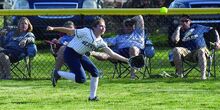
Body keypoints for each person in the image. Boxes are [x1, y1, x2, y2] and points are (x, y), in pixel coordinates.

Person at [47, 17, 128, 101]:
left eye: (104, 27)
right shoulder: (86, 31)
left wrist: (127, 60)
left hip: (81, 55)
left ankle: (92, 97)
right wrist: (53, 28)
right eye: (100, 26)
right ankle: (57, 73)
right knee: (81, 79)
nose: (103, 28)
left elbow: (112, 53)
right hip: (70, 53)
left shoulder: (100, 41)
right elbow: (69, 31)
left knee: (95, 73)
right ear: (94, 27)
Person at [91, 15, 145, 79]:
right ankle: (91, 53)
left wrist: (130, 20)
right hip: (122, 53)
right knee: (107, 55)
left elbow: (139, 17)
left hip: (138, 53)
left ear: (134, 26)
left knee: (132, 48)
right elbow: (105, 42)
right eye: (126, 25)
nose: (128, 27)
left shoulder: (139, 33)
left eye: (130, 25)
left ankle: (132, 75)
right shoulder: (119, 37)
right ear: (123, 27)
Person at [171, 15, 220, 80]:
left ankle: (203, 76)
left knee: (201, 50)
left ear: (190, 21)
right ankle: (180, 75)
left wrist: (218, 42)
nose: (184, 23)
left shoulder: (198, 27)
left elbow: (214, 30)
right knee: (176, 49)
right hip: (187, 52)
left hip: (200, 51)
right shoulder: (179, 31)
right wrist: (178, 28)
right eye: (182, 21)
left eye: (186, 21)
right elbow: (175, 40)